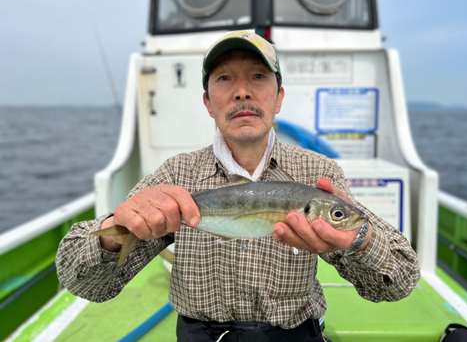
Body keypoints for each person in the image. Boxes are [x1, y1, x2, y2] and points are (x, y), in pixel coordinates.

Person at [56, 31, 420, 342]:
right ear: (208, 102)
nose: (243, 92)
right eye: (225, 79)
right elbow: (87, 285)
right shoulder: (176, 175)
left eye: (259, 77)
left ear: (278, 98)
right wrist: (113, 235)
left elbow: (400, 280)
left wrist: (359, 242)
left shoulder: (317, 172)